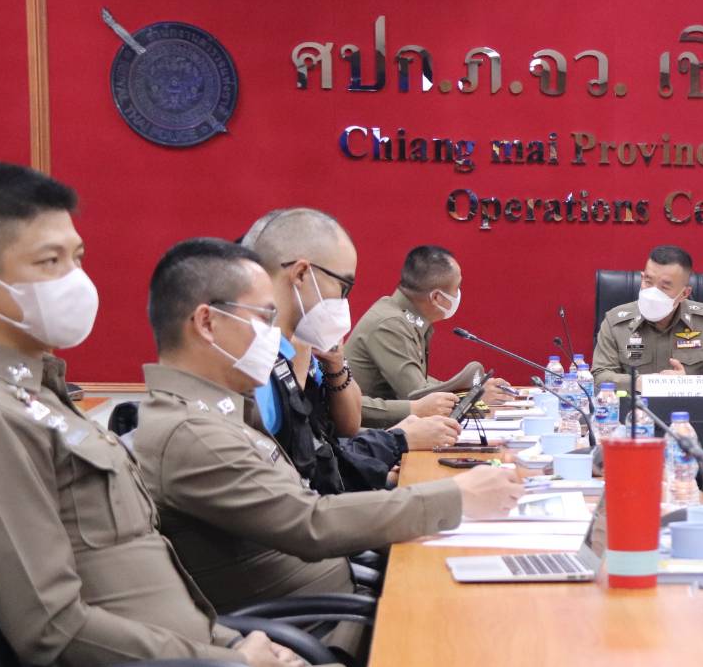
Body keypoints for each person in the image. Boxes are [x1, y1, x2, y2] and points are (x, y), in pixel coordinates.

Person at [0, 162, 349, 667]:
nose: (75, 280)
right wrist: (228, 661)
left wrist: (234, 644)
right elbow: (51, 627)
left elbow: (142, 578)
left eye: (77, 258)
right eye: (50, 262)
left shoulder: (38, 396)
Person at [132, 238, 525, 615]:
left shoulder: (229, 408)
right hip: (318, 625)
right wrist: (454, 497)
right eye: (265, 317)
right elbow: (310, 521)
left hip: (335, 593)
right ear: (207, 322)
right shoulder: (193, 431)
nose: (275, 333)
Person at [240, 211, 457, 493]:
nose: (344, 302)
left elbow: (345, 428)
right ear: (302, 273)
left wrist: (335, 363)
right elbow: (301, 473)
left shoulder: (305, 343)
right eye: (343, 287)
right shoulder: (254, 365)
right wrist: (396, 441)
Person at [344, 244, 510, 420]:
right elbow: (418, 396)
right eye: (457, 287)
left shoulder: (406, 317)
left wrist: (473, 390)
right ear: (437, 297)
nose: (459, 293)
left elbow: (420, 382)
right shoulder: (390, 324)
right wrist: (473, 396)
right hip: (361, 430)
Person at [591, 244, 703, 392]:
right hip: (634, 406)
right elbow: (600, 376)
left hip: (689, 406)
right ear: (642, 278)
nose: (653, 293)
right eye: (648, 281)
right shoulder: (615, 321)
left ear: (684, 294)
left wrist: (686, 384)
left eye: (664, 287)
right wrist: (641, 383)